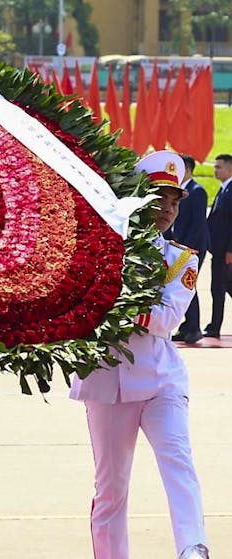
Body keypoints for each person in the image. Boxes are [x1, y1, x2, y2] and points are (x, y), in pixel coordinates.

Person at [70, 151, 209, 559]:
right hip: (107, 383)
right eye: (158, 197)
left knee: (178, 461)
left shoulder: (181, 259)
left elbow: (166, 320)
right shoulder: (100, 250)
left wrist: (114, 303)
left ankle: (193, 549)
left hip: (161, 380)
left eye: (175, 200)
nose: (167, 208)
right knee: (111, 487)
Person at [169, 155, 210, 344]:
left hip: (193, 247)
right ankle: (187, 326)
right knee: (183, 284)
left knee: (188, 283)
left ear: (187, 169)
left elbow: (198, 223)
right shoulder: (179, 191)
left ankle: (194, 328)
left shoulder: (197, 191)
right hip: (181, 246)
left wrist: (187, 248)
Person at [204, 153, 232, 339]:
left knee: (222, 287)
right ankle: (214, 325)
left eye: (219, 167)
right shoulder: (224, 190)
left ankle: (215, 326)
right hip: (218, 249)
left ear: (230, 169)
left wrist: (231, 249)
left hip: (226, 251)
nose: (215, 170)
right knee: (219, 288)